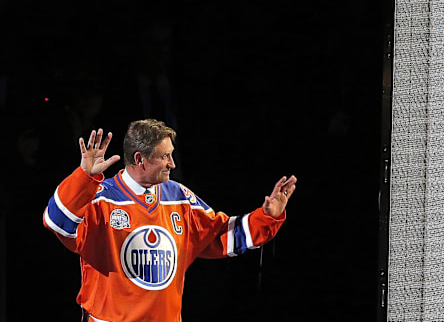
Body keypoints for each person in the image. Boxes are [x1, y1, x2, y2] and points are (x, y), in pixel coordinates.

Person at [43, 119, 296, 322]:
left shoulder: (179, 197)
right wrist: (84, 178)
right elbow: (57, 222)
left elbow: (220, 236)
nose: (173, 164)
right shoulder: (100, 198)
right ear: (140, 158)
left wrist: (267, 217)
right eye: (165, 157)